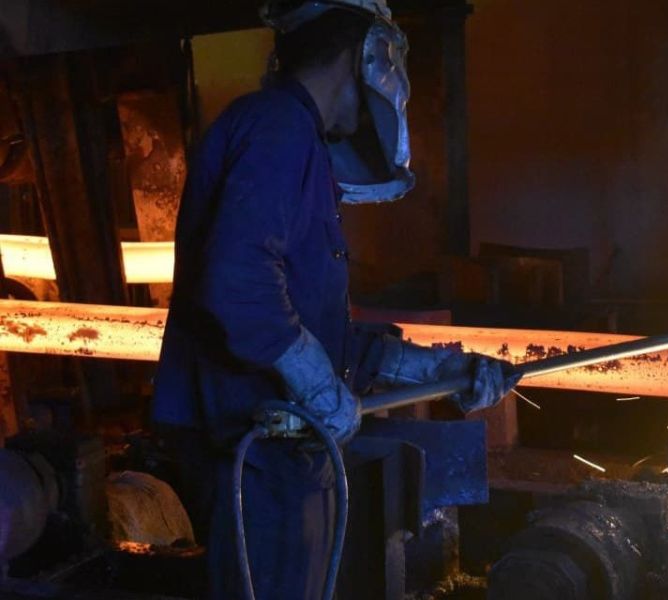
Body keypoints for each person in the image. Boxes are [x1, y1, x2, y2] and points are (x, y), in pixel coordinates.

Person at [150, 2, 519, 599]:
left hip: (278, 446)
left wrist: (441, 370)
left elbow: (316, 329)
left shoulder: (290, 136)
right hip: (255, 448)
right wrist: (320, 387)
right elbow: (238, 283)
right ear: (366, 53)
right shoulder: (278, 127)